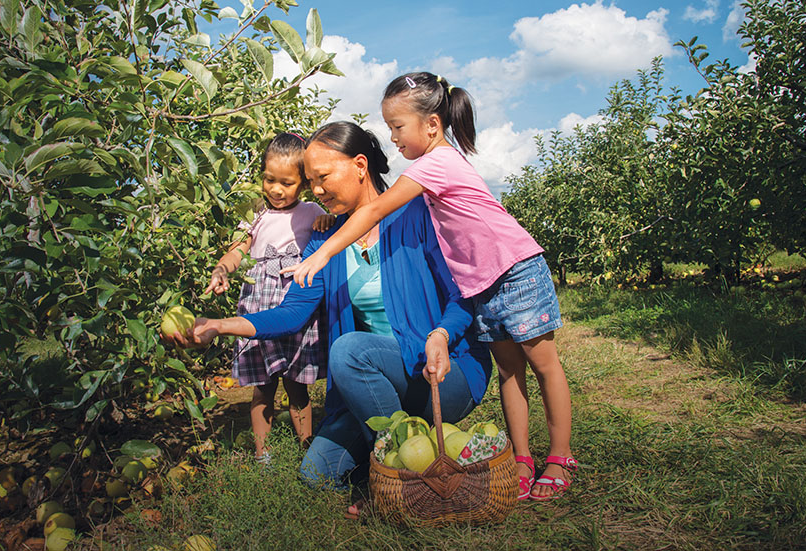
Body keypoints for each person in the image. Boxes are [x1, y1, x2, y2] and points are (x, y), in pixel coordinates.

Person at [167, 121, 492, 515]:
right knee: (316, 473)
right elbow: (292, 313)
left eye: (322, 178)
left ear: (359, 165)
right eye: (310, 181)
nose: (316, 191)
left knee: (349, 349)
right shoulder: (325, 241)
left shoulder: (415, 214)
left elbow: (462, 294)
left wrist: (441, 334)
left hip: (440, 372)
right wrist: (219, 326)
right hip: (373, 383)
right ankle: (401, 444)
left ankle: (393, 474)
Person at [282, 72, 576, 501]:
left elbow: (377, 208)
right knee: (511, 372)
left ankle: (560, 456)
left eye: (398, 128)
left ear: (432, 126)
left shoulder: (436, 163)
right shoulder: (428, 166)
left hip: (514, 271)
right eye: (390, 129)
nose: (393, 139)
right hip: (481, 283)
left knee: (544, 366)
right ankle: (522, 458)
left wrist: (324, 252)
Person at [203, 132, 328, 464]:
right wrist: (222, 269)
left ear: (302, 182)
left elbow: (330, 233)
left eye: (286, 183)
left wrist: (326, 222)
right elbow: (238, 249)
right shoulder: (255, 211)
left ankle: (307, 446)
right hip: (258, 301)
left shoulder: (314, 211)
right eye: (269, 180)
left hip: (293, 301)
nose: (276, 189)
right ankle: (263, 453)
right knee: (263, 385)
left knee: (297, 385)